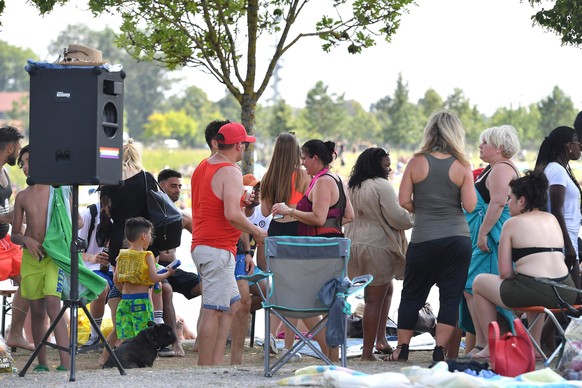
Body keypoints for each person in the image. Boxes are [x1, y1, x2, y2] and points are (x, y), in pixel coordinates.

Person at [390, 110, 477, 362]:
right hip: (457, 240)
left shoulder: (416, 162)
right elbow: (470, 205)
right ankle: (439, 350)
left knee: (411, 294)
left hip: (424, 238)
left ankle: (402, 349)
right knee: (450, 297)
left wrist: (423, 209)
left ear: (429, 131)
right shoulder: (462, 165)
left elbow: (403, 199)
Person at [471, 170, 578, 359]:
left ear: (522, 201)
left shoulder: (512, 224)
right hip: (566, 290)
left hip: (537, 290)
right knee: (533, 285)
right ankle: (534, 347)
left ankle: (490, 345)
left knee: (479, 282)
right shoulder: (552, 218)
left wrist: (518, 280)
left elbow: (505, 272)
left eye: (510, 198)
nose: (506, 203)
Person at [190, 121, 267, 366]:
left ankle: (214, 363)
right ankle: (206, 367)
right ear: (239, 145)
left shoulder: (204, 165)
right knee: (214, 308)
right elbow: (232, 215)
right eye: (244, 143)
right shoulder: (230, 170)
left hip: (205, 245)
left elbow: (215, 201)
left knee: (232, 304)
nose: (245, 147)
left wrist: (242, 198)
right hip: (216, 248)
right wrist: (257, 232)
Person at [272, 139, 354, 362]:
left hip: (319, 249)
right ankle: (332, 355)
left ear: (315, 158)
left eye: (305, 159)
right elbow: (349, 216)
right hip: (334, 245)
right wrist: (330, 224)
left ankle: (329, 353)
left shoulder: (321, 182)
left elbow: (318, 217)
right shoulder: (337, 179)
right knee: (327, 302)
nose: (303, 164)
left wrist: (290, 210)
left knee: (305, 301)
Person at [344, 147, 413, 361]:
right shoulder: (382, 185)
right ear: (376, 166)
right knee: (373, 299)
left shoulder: (353, 185)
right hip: (377, 245)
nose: (390, 168)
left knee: (386, 288)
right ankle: (367, 354)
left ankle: (381, 339)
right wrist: (414, 212)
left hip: (353, 244)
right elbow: (397, 217)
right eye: (386, 165)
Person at [98, 139, 162, 365]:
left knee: (121, 283)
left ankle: (118, 334)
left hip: (119, 235)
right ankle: (140, 338)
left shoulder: (109, 179)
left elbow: (105, 213)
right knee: (145, 287)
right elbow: (157, 208)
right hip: (142, 234)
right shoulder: (146, 178)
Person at [459, 125, 521, 358]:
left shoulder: (502, 169)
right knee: (470, 288)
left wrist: (483, 233)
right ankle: (483, 341)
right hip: (485, 235)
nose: (480, 146)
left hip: (492, 238)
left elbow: (497, 203)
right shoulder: (494, 167)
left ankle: (489, 342)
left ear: (500, 147)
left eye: (485, 142)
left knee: (474, 287)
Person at [12, 145, 72, 371]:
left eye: (29, 161)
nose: (26, 167)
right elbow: (15, 234)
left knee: (53, 305)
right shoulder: (22, 196)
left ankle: (66, 363)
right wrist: (27, 240)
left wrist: (57, 237)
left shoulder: (60, 191)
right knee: (36, 311)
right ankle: (42, 363)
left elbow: (77, 222)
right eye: (22, 163)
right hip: (30, 258)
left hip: (53, 258)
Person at [259, 132, 309, 355]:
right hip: (298, 230)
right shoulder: (303, 175)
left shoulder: (269, 176)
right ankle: (288, 345)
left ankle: (269, 335)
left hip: (276, 231)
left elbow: (265, 211)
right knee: (296, 290)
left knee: (278, 287)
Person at [157, 168, 201, 357]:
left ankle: (202, 339)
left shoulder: (180, 216)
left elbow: (201, 235)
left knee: (208, 288)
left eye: (179, 187)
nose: (177, 190)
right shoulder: (152, 213)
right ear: (161, 186)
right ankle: (175, 342)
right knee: (165, 291)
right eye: (173, 186)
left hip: (174, 269)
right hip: (157, 268)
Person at [534, 126, 582, 289]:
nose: (580, 146)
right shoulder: (557, 171)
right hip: (563, 240)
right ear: (568, 146)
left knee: (568, 299)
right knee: (575, 297)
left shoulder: (559, 169)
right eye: (577, 142)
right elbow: (556, 210)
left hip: (566, 238)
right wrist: (568, 246)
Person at [113, 217, 176, 341]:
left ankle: (111, 358)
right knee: (143, 336)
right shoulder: (147, 255)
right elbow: (154, 278)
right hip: (141, 302)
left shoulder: (122, 255)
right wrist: (169, 272)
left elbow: (116, 280)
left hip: (125, 301)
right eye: (150, 234)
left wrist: (124, 292)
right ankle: (138, 359)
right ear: (143, 236)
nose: (151, 238)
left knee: (125, 335)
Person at [0, 126, 34, 351]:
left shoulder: (4, 171)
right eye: (18, 149)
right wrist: (9, 215)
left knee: (30, 278)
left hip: (6, 241)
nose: (19, 155)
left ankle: (15, 333)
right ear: (10, 148)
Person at [78, 194, 113, 350]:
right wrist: (93, 258)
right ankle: (95, 336)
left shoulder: (125, 214)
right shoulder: (89, 215)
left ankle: (123, 337)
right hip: (91, 268)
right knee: (102, 286)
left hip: (117, 268)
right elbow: (73, 251)